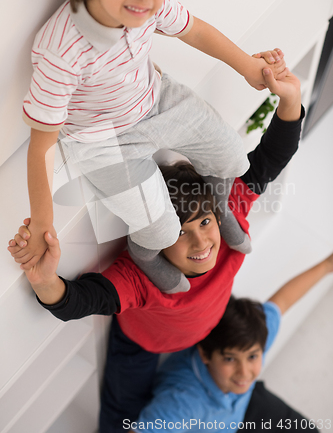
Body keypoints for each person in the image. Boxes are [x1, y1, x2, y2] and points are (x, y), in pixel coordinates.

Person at [9, 67, 303, 432]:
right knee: (120, 415)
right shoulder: (139, 276)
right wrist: (43, 279)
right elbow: (79, 301)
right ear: (156, 237)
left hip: (200, 330)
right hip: (140, 344)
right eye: (180, 232)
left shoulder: (229, 222)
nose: (201, 242)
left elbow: (271, 158)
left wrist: (290, 97)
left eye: (205, 222)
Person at [14, 0, 287, 294]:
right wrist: (41, 223)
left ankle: (221, 213)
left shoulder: (147, 6)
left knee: (234, 157)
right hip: (105, 142)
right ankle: (145, 255)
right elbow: (41, 145)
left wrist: (247, 67)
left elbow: (195, 30)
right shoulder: (61, 50)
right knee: (160, 229)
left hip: (157, 98)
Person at [131, 253, 333, 433]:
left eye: (252, 357)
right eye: (230, 359)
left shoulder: (253, 337)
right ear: (205, 354)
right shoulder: (183, 402)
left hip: (242, 405)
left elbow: (282, 301)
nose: (244, 372)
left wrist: (327, 265)